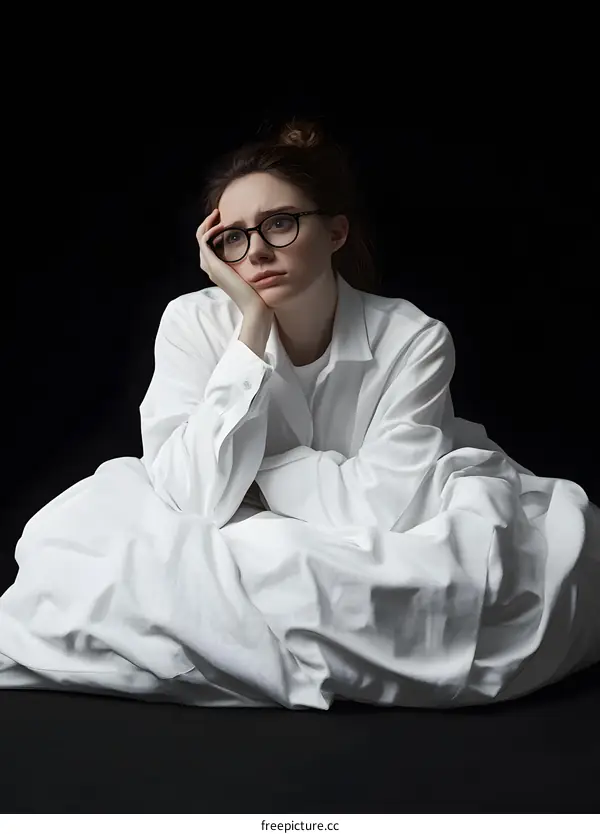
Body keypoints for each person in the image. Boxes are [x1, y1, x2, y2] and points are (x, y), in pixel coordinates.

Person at [0, 118, 598, 712]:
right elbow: (193, 498)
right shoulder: (192, 322)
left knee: (476, 573)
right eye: (232, 237)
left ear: (336, 231)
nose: (255, 249)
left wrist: (263, 470)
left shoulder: (414, 337)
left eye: (279, 224)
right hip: (234, 518)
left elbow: (388, 507)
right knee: (94, 546)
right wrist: (251, 329)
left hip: (377, 523)